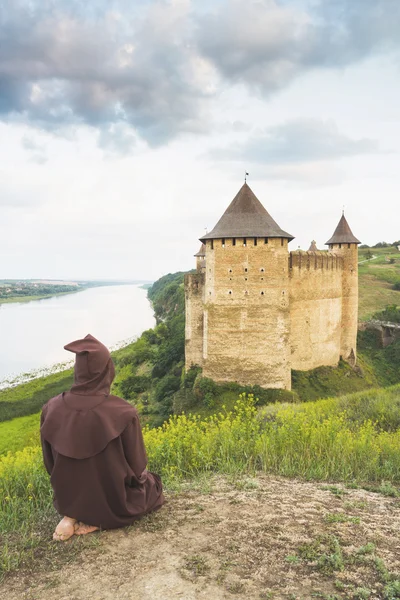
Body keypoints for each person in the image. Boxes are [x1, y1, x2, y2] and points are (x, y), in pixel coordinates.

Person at [40, 334, 164, 541]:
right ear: (107, 371)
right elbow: (137, 466)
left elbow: (50, 465)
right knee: (154, 484)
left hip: (68, 499)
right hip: (113, 502)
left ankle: (71, 516)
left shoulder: (50, 408)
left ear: (77, 371)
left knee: (79, 481)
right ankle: (98, 519)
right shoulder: (123, 412)